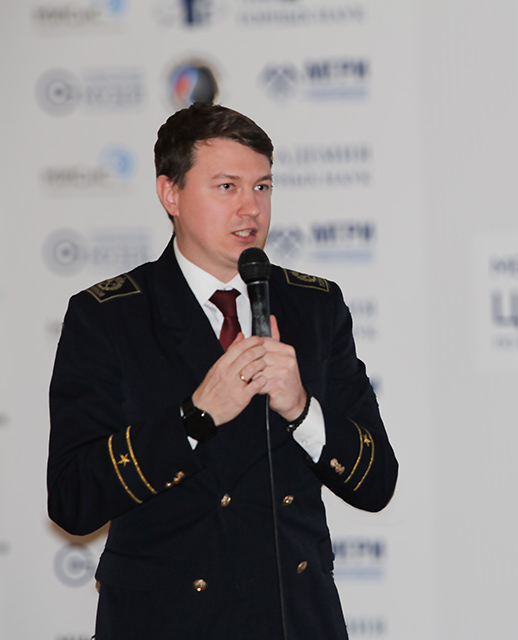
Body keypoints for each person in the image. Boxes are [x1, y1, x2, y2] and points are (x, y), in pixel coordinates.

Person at [47, 103, 398, 639]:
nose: (250, 209)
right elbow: (73, 500)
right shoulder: (110, 315)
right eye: (227, 187)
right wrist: (194, 417)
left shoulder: (314, 306)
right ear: (170, 194)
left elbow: (377, 484)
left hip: (293, 621)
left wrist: (302, 410)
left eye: (262, 187)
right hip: (165, 623)